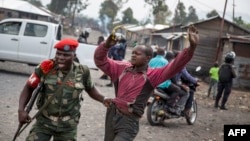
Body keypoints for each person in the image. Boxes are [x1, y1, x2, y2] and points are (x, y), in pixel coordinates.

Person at [94, 25, 199, 141]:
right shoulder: (121, 68)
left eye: (137, 53)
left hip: (129, 121)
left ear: (148, 58)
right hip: (112, 114)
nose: (133, 55)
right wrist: (106, 45)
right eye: (133, 52)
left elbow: (175, 65)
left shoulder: (152, 75)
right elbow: (100, 61)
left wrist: (191, 48)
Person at [18, 38, 111, 140]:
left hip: (68, 126)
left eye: (66, 55)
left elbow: (91, 89)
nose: (61, 57)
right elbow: (29, 87)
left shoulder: (83, 71)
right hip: (44, 122)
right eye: (58, 54)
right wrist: (21, 110)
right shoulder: (45, 67)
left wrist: (103, 98)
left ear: (74, 56)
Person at [149, 48, 188, 116]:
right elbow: (170, 74)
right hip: (162, 83)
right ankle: (169, 106)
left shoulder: (151, 60)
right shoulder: (165, 62)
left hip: (152, 82)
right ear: (163, 54)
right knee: (177, 89)